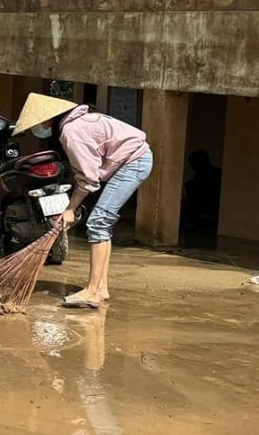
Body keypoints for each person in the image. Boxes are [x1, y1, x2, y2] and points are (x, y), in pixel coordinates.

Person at [12, 93, 153, 309]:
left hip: (133, 162)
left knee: (98, 222)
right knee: (102, 223)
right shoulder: (77, 122)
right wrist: (73, 206)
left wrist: (70, 209)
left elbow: (88, 179)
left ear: (48, 120)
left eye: (37, 124)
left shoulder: (71, 132)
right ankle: (101, 288)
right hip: (131, 160)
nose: (37, 129)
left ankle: (92, 292)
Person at [181, 149, 222, 233]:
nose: (193, 168)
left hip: (209, 211)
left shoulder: (210, 176)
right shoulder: (200, 176)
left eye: (193, 165)